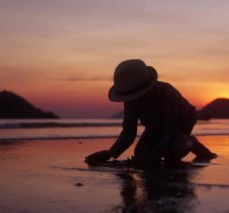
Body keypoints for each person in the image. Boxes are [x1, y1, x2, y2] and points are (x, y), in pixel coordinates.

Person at [85, 59, 217, 165]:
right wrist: (110, 153)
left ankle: (191, 142)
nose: (132, 101)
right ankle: (172, 145)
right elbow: (128, 132)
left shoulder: (167, 94)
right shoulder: (130, 101)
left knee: (172, 154)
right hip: (155, 125)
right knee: (141, 154)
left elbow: (170, 130)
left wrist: (156, 155)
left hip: (180, 123)